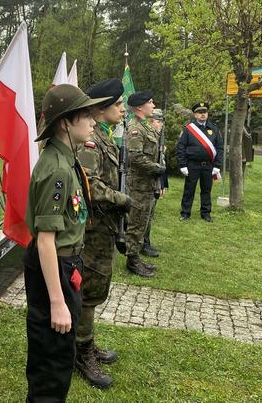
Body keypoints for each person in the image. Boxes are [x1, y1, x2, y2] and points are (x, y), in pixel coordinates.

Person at [24, 84, 109, 402]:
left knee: (57, 351)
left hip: (64, 264)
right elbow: (46, 240)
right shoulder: (57, 170)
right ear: (65, 122)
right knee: (54, 356)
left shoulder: (67, 160)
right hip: (56, 266)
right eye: (86, 115)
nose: (93, 121)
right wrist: (58, 303)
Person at [75, 78, 131, 389]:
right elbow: (88, 184)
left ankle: (86, 342)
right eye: (118, 104)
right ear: (101, 107)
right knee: (89, 290)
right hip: (92, 229)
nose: (123, 109)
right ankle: (81, 352)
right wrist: (121, 199)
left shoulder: (103, 136)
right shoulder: (90, 141)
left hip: (103, 227)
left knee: (95, 289)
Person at [124, 90, 166, 277]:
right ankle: (132, 261)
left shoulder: (146, 127)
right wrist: (157, 168)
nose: (153, 105)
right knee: (136, 223)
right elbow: (135, 158)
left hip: (148, 184)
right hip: (138, 185)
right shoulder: (135, 128)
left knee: (143, 222)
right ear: (139, 106)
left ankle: (136, 256)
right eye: (150, 102)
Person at [176, 102, 224, 222]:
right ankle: (185, 213)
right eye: (200, 112)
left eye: (205, 112)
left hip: (208, 165)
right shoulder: (188, 129)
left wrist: (217, 165)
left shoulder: (214, 128)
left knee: (206, 190)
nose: (203, 115)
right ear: (195, 114)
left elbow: (220, 147)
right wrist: (182, 165)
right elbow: (181, 147)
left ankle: (206, 213)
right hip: (192, 165)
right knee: (189, 190)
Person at [141, 108, 168, 258]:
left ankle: (146, 242)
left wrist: (163, 183)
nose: (161, 125)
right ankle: (141, 244)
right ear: (151, 122)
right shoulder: (146, 136)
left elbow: (162, 163)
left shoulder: (157, 138)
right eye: (159, 122)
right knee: (142, 216)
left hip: (154, 181)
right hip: (143, 182)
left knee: (150, 214)